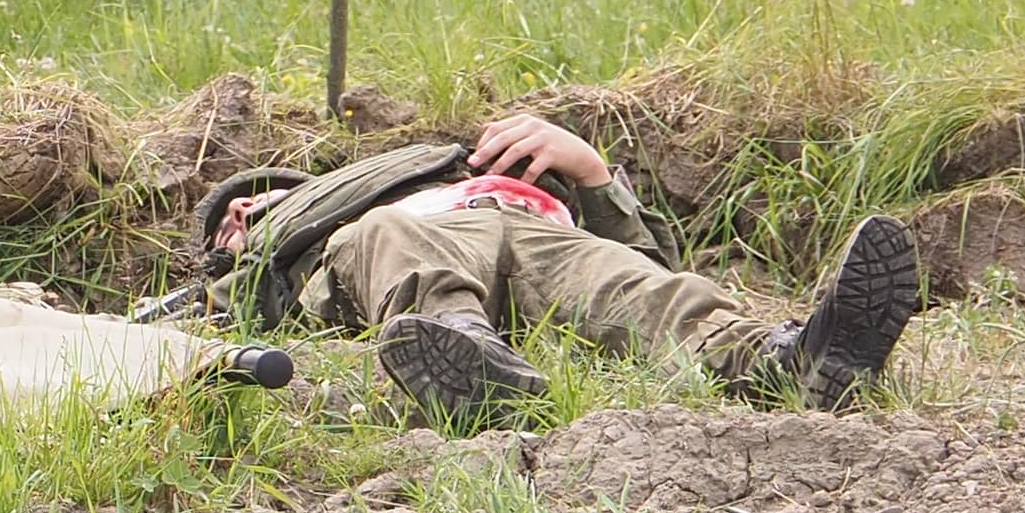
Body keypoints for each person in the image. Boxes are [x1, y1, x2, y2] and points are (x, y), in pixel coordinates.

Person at [201, 106, 922, 424]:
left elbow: (640, 259)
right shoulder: (328, 231)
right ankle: (459, 353)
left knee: (640, 289)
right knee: (392, 231)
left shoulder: (427, 168)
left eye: (255, 197)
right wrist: (240, 259)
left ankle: (787, 361)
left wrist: (593, 172)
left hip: (529, 226)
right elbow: (218, 323)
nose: (248, 207)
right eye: (231, 214)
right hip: (403, 247)